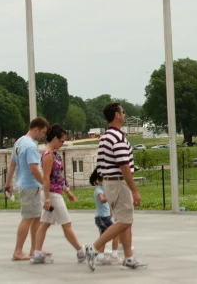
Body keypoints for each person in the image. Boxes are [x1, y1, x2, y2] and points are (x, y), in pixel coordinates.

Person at [83, 102, 147, 271]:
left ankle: (128, 258)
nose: (124, 114)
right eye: (123, 112)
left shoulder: (105, 136)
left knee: (125, 220)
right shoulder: (117, 137)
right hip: (119, 182)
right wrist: (134, 190)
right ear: (117, 115)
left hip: (109, 182)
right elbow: (124, 166)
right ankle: (94, 248)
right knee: (125, 220)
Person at [31, 124, 85, 264]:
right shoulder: (48, 155)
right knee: (66, 223)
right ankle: (81, 251)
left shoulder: (54, 154)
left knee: (45, 223)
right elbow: (46, 178)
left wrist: (67, 191)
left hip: (55, 192)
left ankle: (37, 253)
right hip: (52, 195)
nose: (62, 143)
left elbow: (58, 176)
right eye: (61, 141)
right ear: (55, 138)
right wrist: (48, 199)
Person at [4, 117, 49, 261]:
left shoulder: (19, 142)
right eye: (42, 133)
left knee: (36, 217)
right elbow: (34, 169)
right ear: (36, 129)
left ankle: (35, 249)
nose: (42, 136)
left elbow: (12, 165)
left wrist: (7, 183)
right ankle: (18, 252)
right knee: (28, 218)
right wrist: (46, 183)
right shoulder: (30, 146)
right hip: (30, 186)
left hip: (25, 185)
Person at [90, 169, 122, 265]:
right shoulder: (99, 190)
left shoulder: (103, 189)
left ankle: (100, 257)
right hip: (101, 218)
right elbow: (102, 200)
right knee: (116, 233)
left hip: (104, 217)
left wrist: (110, 212)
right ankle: (114, 255)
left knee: (103, 237)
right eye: (105, 180)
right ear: (99, 180)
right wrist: (109, 197)